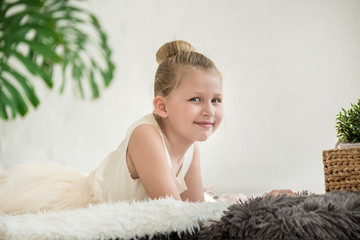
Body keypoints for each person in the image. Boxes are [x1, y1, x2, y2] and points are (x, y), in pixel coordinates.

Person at [0, 40, 224, 215]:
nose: (209, 110)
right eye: (196, 99)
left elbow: (196, 211)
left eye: (216, 100)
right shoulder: (146, 135)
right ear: (162, 107)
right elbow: (174, 213)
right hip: (84, 204)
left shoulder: (191, 148)